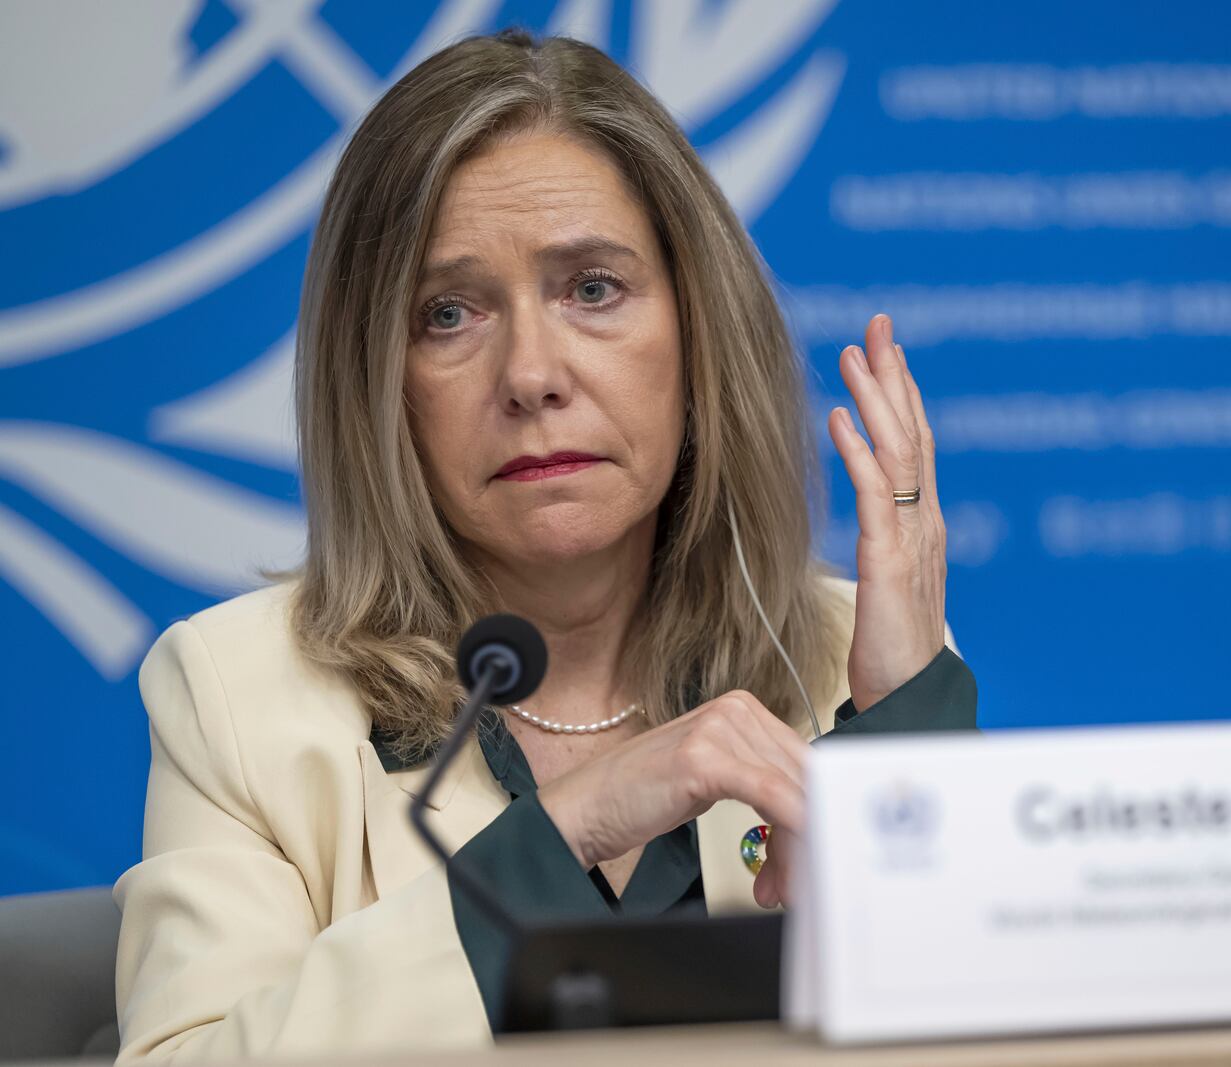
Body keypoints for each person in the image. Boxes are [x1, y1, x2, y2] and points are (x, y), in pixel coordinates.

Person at [112, 27, 976, 1061]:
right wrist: (574, 823)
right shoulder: (238, 695)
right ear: (377, 381)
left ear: (699, 334)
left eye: (592, 289)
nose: (531, 372)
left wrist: (901, 736)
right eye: (447, 313)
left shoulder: (854, 655)